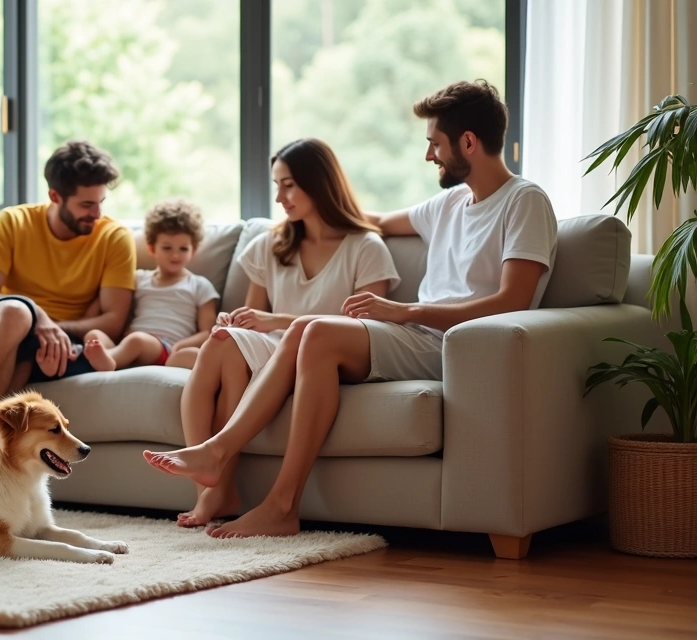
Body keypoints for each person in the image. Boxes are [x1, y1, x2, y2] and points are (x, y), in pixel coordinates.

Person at [144, 79, 559, 538]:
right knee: (309, 328)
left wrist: (408, 311)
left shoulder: (525, 201)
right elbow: (373, 222)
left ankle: (278, 500)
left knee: (316, 330)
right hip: (419, 336)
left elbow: (511, 302)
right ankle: (223, 455)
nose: (429, 157)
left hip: (458, 346)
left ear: (468, 142)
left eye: (434, 145)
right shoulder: (452, 202)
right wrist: (320, 201)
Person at [172, 137, 402, 527]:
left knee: (231, 351)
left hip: (319, 356)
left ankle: (219, 483)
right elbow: (254, 314)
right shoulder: (270, 245)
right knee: (221, 340)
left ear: (320, 183)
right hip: (272, 349)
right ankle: (211, 492)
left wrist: (277, 321)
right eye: (277, 185)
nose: (280, 197)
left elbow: (364, 328)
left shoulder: (365, 247)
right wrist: (236, 320)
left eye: (289, 184)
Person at [0, 140, 138, 447]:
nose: (96, 214)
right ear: (55, 196)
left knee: (27, 349)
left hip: (60, 348)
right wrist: (37, 318)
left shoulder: (115, 238)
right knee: (15, 313)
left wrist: (52, 332)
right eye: (86, 205)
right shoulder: (13, 222)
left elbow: (113, 321)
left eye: (100, 202)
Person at [81, 198, 220, 372]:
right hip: (130, 345)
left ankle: (110, 363)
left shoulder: (199, 285)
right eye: (167, 248)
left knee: (137, 341)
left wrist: (181, 344)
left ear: (194, 250)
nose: (175, 255)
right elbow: (107, 301)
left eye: (183, 249)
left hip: (167, 348)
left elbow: (208, 332)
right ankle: (112, 358)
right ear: (152, 248)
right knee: (94, 336)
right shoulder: (138, 278)